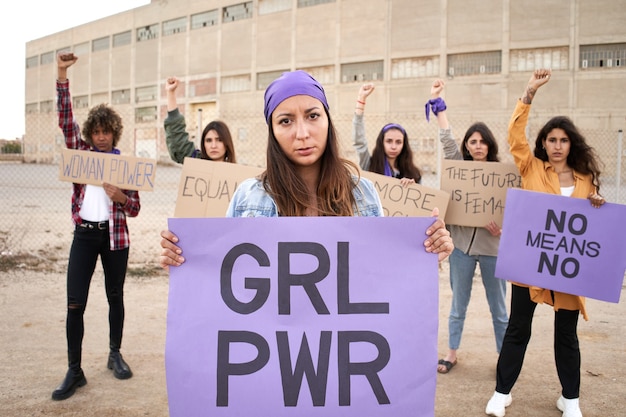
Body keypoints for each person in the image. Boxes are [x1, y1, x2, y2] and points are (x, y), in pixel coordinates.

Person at [159, 70, 453, 268]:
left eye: (312, 115)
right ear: (272, 131)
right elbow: (224, 272)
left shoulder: (363, 193)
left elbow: (382, 268)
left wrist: (426, 251)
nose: (302, 133)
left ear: (327, 120)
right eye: (285, 121)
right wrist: (186, 257)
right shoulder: (248, 197)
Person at [485, 69, 605, 417]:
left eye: (562, 140)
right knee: (518, 327)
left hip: (567, 270)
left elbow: (590, 227)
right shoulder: (531, 168)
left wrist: (597, 202)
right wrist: (528, 93)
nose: (556, 146)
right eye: (551, 140)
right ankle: (501, 393)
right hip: (529, 266)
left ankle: (570, 400)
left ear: (572, 144)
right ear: (544, 143)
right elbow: (514, 135)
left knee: (566, 335)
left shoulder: (586, 181)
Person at [52, 52, 141, 401]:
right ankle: (75, 371)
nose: (102, 137)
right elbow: (65, 119)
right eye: (97, 132)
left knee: (115, 296)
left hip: (115, 238)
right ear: (91, 134)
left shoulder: (125, 167)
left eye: (107, 132)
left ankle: (114, 353)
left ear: (114, 134)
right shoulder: (80, 154)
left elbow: (134, 208)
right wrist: (62, 74)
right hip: (85, 235)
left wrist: (120, 196)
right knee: (75, 303)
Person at [428, 79, 508, 375]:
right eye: (472, 141)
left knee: (499, 309)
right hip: (461, 248)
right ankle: (451, 353)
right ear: (467, 146)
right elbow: (447, 140)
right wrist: (438, 104)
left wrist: (502, 230)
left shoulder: (502, 175)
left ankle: (504, 356)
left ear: (489, 145)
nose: (477, 145)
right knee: (457, 306)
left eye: (482, 141)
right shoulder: (458, 169)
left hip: (492, 249)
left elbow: (513, 213)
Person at [353, 83, 422, 186]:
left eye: (398, 142)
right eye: (389, 141)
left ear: (404, 145)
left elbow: (420, 199)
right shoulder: (370, 165)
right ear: (382, 142)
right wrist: (361, 100)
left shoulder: (413, 173)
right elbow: (359, 142)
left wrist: (413, 188)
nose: (393, 147)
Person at [164, 76, 236, 164]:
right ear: (203, 143)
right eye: (208, 140)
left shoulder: (237, 172)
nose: (213, 146)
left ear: (227, 142)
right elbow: (178, 142)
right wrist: (171, 93)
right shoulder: (196, 162)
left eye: (219, 140)